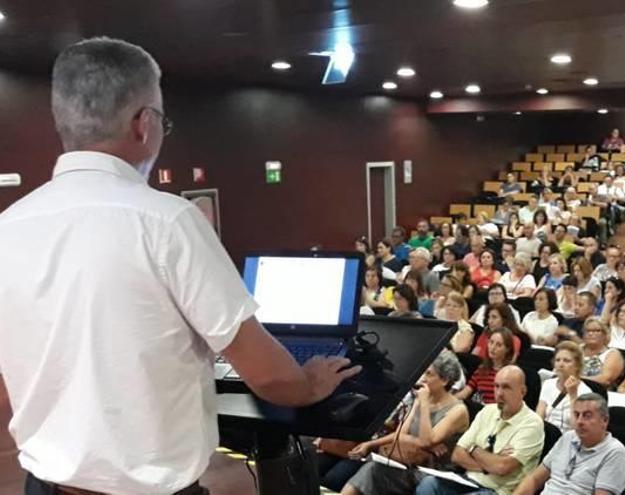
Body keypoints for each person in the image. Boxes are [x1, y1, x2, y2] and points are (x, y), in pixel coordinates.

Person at [0, 37, 361, 494]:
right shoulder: (167, 220)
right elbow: (269, 376)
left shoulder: (8, 226)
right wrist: (309, 384)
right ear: (145, 123)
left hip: (44, 484)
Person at [341, 350, 470, 495]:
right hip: (409, 464)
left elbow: (427, 441)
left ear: (444, 380)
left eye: (429, 374)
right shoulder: (419, 400)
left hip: (435, 473)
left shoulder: (458, 410)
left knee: (376, 472)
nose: (422, 378)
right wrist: (369, 444)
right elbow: (401, 434)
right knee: (372, 468)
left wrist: (425, 405)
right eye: (423, 373)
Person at [417, 366, 545, 495]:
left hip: (497, 490)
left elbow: (502, 467)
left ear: (522, 391)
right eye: (496, 386)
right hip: (467, 481)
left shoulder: (532, 424)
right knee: (429, 484)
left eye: (506, 387)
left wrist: (473, 449)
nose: (499, 393)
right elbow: (457, 455)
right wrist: (489, 465)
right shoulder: (487, 411)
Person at [513, 394, 625, 495]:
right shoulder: (568, 438)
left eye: (587, 416)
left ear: (605, 420)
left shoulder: (614, 453)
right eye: (577, 415)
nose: (579, 421)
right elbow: (534, 479)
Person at [536, 342, 592, 433]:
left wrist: (573, 395)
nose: (560, 364)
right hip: (546, 435)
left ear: (577, 365)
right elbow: (539, 417)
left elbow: (578, 427)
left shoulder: (585, 392)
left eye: (566, 361)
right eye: (558, 360)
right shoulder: (548, 384)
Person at [457, 328, 516, 405]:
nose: (493, 347)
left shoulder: (511, 374)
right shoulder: (482, 369)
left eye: (499, 345)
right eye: (491, 342)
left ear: (507, 349)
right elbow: (465, 393)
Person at [579, 317, 625, 387]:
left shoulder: (612, 354)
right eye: (587, 331)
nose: (591, 333)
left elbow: (605, 379)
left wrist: (578, 379)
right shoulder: (576, 349)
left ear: (605, 334)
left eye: (597, 331)